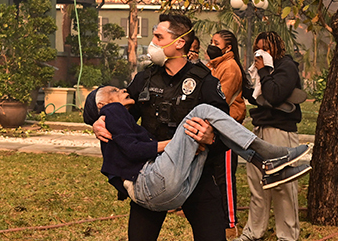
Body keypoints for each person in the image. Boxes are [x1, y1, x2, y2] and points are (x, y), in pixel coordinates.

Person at [90, 13, 261, 241]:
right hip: (152, 175)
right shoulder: (144, 79)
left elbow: (225, 127)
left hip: (198, 177)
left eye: (157, 35)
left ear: (179, 42)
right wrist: (96, 123)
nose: (151, 42)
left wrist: (211, 135)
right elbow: (109, 106)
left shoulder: (203, 81)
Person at [85, 85, 309, 211]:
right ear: (103, 105)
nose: (123, 89)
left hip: (167, 197)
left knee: (205, 127)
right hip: (151, 182)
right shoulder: (112, 112)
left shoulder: (116, 118)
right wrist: (175, 143)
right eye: (114, 89)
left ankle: (265, 165)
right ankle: (267, 153)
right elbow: (135, 151)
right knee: (201, 112)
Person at [234, 31, 305, 241]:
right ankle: (254, 231)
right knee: (257, 183)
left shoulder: (286, 67)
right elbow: (256, 97)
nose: (260, 52)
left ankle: (287, 236)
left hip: (281, 130)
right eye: (257, 48)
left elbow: (274, 95)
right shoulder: (259, 71)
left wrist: (264, 70)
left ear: (276, 47)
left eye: (265, 48)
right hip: (260, 128)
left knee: (282, 183)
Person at [207, 30, 247, 225]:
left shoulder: (230, 68)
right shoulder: (216, 66)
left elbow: (221, 98)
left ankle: (230, 222)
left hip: (227, 129)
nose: (212, 45)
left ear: (228, 47)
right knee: (213, 175)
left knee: (225, 178)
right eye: (211, 41)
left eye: (216, 42)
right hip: (215, 127)